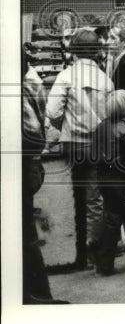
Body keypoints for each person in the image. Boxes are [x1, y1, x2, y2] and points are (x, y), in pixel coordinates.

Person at [45, 28, 115, 268]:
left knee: (73, 195)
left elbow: (53, 111)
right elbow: (111, 115)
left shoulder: (66, 76)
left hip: (72, 143)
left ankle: (77, 253)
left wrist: (61, 123)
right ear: (96, 52)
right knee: (94, 198)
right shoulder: (106, 80)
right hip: (97, 144)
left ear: (73, 51)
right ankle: (94, 250)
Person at [22, 50, 68, 303]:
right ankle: (38, 293)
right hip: (33, 163)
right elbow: (44, 121)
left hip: (24, 163)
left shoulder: (26, 83)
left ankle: (34, 295)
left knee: (24, 229)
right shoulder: (33, 80)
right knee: (26, 228)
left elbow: (45, 117)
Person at [90, 90, 125, 275]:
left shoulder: (100, 126)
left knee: (109, 215)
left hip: (104, 177)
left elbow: (94, 154)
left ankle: (99, 254)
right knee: (114, 219)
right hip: (120, 179)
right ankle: (104, 263)